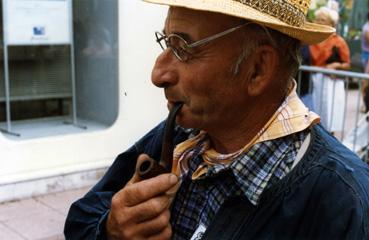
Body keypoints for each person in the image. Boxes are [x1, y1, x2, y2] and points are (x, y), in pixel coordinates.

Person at [64, 0, 369, 239]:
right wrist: (111, 231)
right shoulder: (181, 136)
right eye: (167, 43)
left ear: (258, 69)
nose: (158, 75)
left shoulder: (344, 201)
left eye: (183, 49)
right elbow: (82, 218)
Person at [309, 6, 351, 133]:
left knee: (330, 116)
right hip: (314, 82)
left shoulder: (339, 42)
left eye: (322, 20)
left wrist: (336, 65)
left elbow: (347, 64)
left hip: (332, 83)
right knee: (315, 114)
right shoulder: (311, 39)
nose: (318, 22)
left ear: (331, 23)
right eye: (317, 19)